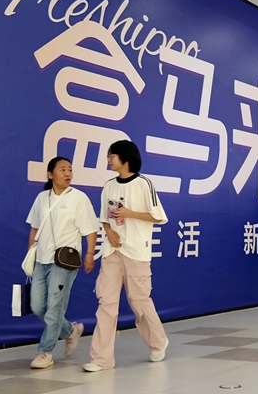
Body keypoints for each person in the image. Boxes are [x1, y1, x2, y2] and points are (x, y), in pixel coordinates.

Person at [84, 140, 169, 372]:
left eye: (112, 155)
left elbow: (158, 216)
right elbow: (104, 218)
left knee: (139, 300)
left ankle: (158, 342)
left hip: (136, 251)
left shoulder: (143, 184)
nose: (108, 160)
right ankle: (101, 359)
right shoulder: (109, 185)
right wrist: (110, 233)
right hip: (112, 251)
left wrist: (130, 213)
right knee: (106, 303)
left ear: (125, 157)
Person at [26, 157, 99, 369]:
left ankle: (45, 352)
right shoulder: (42, 198)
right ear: (50, 174)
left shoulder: (79, 198)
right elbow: (34, 228)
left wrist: (90, 253)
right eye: (62, 170)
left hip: (64, 261)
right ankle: (70, 330)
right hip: (41, 259)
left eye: (70, 170)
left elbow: (90, 229)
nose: (68, 173)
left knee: (54, 308)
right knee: (37, 306)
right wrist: (31, 254)